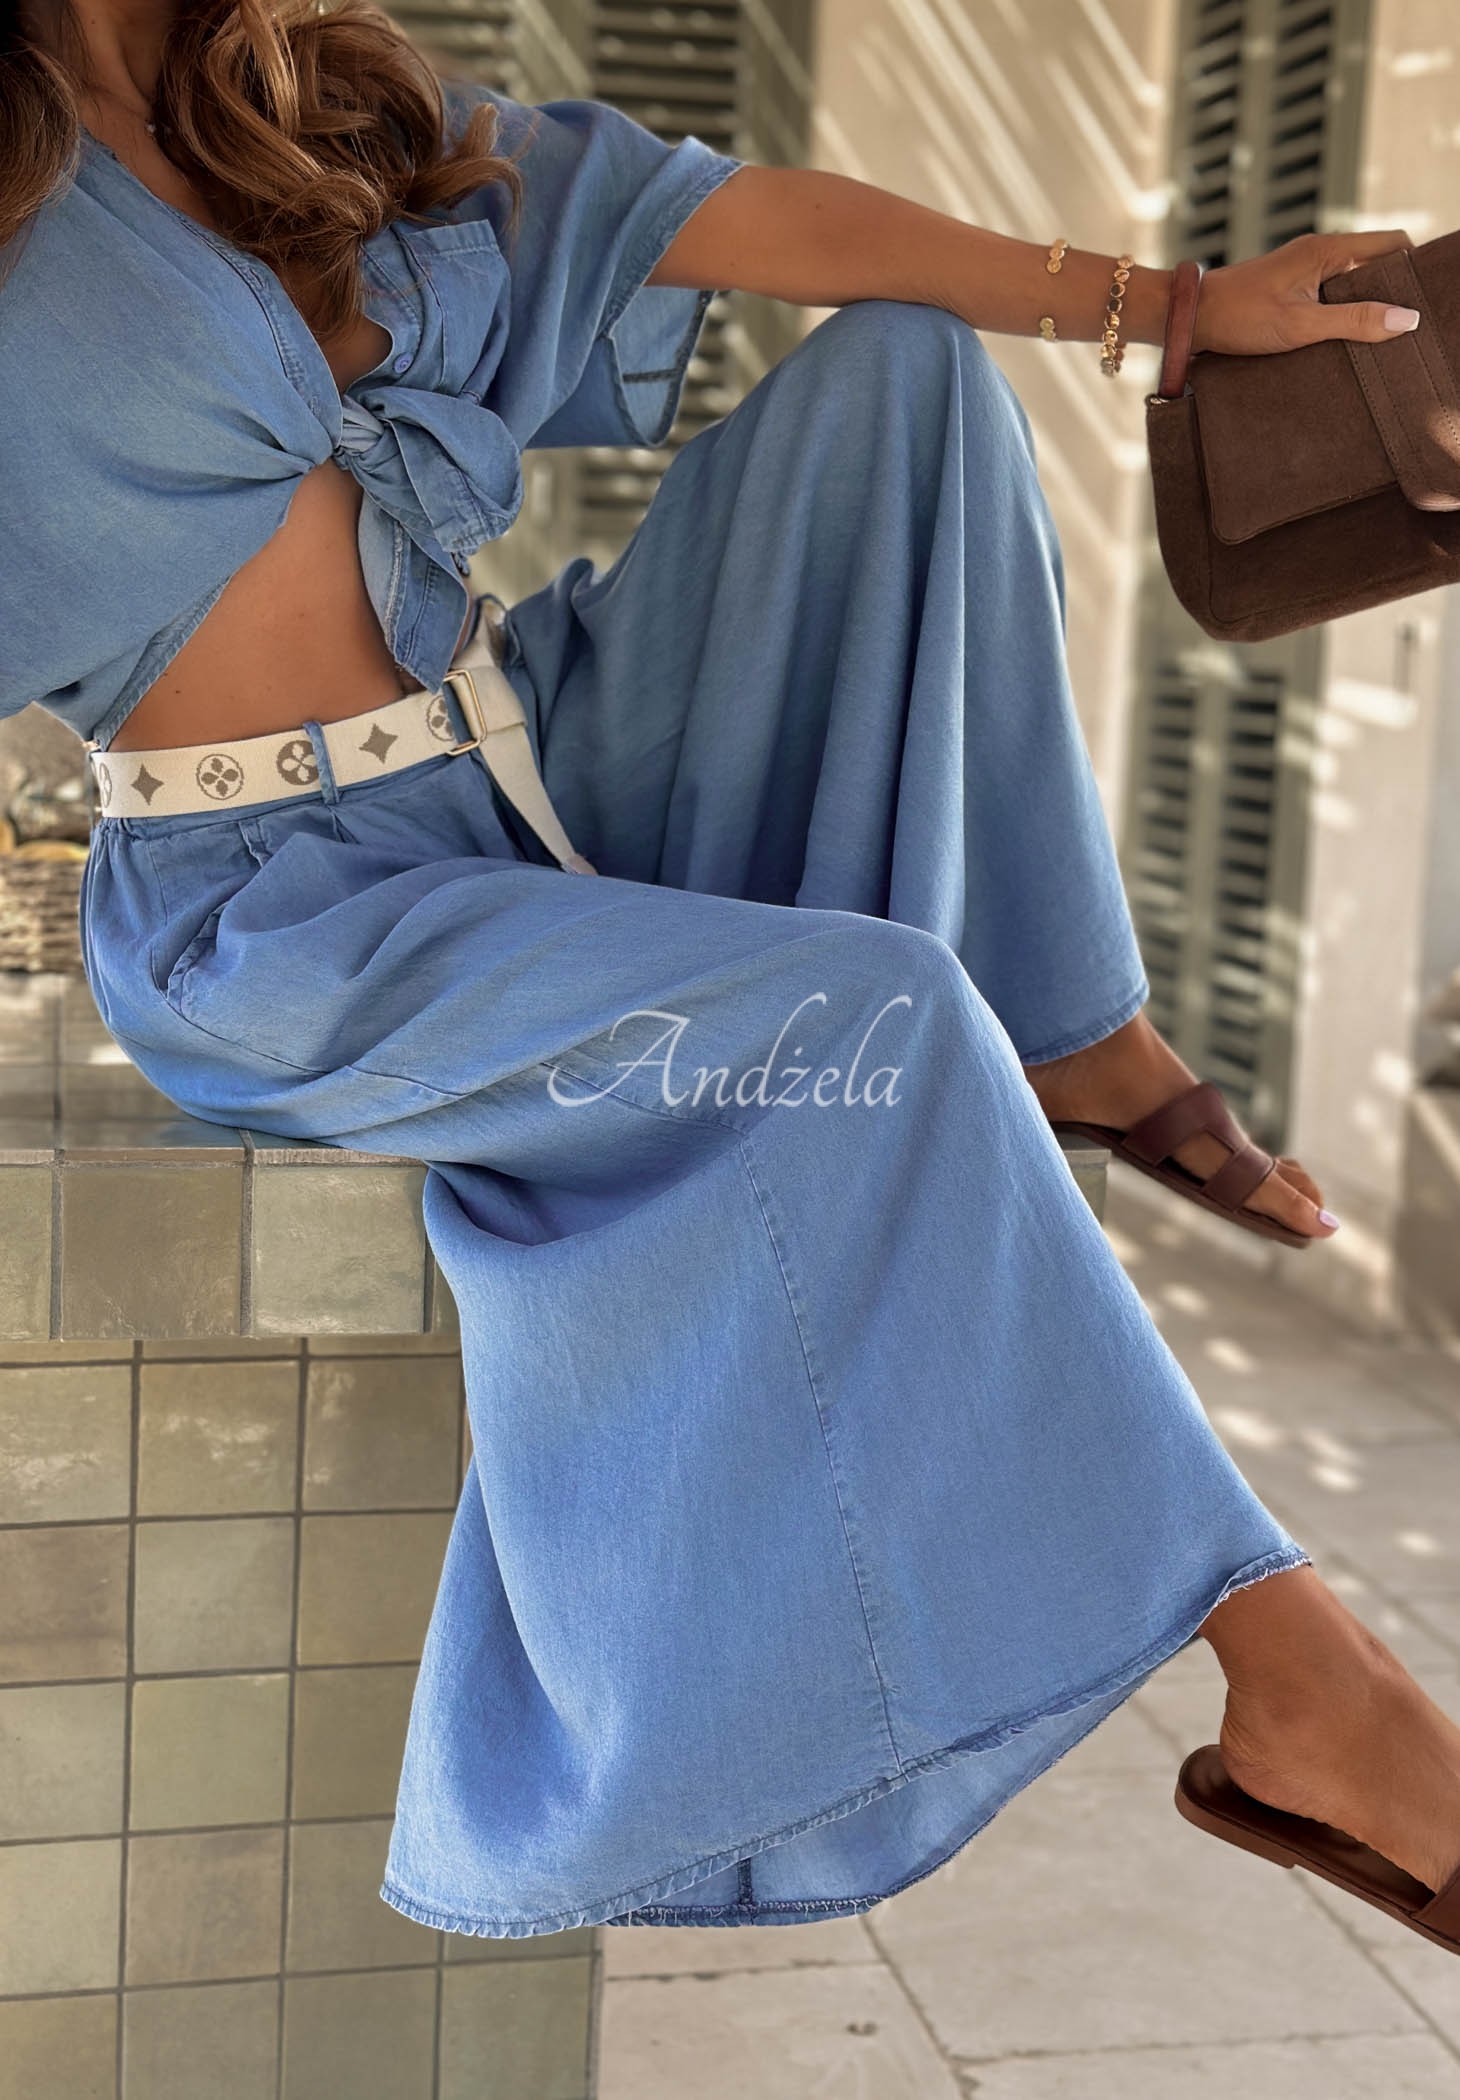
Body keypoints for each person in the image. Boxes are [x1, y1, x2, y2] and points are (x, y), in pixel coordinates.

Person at [4, 0, 1458, 1950]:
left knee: (907, 380)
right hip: (282, 904)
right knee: (873, 1021)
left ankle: (1082, 1034)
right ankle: (1303, 1680)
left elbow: (730, 212)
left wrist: (1177, 309)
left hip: (541, 740)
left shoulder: (306, 99)